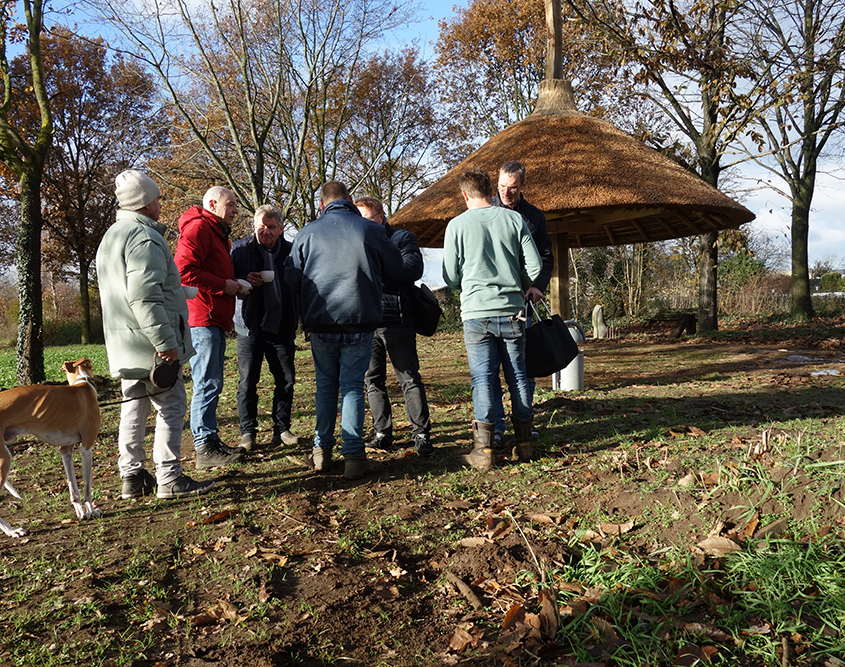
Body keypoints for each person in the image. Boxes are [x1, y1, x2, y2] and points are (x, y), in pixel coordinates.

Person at [97, 170, 215, 499]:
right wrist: (167, 344)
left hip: (126, 344)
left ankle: (131, 477)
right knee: (172, 405)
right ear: (145, 202)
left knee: (133, 409)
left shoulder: (112, 236)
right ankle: (169, 478)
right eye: (157, 197)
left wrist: (179, 291)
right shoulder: (145, 238)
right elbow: (144, 297)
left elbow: (130, 291)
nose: (161, 203)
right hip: (152, 345)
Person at [285, 181, 403, 480]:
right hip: (359, 319)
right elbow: (396, 269)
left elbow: (291, 277)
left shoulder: (307, 233)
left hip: (321, 321)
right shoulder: (370, 230)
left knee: (325, 386)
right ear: (350, 200)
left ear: (322, 204)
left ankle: (321, 451)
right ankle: (353, 454)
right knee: (352, 386)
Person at [442, 168, 541, 470]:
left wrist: (467, 283)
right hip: (513, 309)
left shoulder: (456, 225)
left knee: (483, 378)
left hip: (476, 313)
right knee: (519, 375)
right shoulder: (513, 219)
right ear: (490, 190)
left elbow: (449, 275)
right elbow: (535, 267)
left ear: (464, 194)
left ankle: (483, 451)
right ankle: (524, 443)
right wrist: (517, 283)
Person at [354, 196, 433, 457]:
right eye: (359, 219)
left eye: (367, 218)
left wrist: (374, 271)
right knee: (372, 379)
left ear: (381, 216)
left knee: (408, 377)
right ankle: (382, 433)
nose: (362, 224)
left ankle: (421, 434)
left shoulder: (402, 238)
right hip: (366, 319)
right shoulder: (355, 241)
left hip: (397, 317)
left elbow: (412, 269)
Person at [175, 186, 246, 469]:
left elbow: (212, 272)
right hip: (202, 318)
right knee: (206, 381)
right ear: (213, 203)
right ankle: (204, 446)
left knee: (213, 381)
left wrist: (238, 281)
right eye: (231, 204)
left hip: (213, 317)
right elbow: (184, 271)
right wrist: (223, 286)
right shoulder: (200, 229)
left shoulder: (216, 233)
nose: (236, 211)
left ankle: (210, 439)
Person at [493, 160, 555, 445]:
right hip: (491, 302)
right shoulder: (485, 212)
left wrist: (537, 286)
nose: (507, 193)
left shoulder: (534, 217)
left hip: (523, 303)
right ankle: (494, 427)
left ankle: (524, 423)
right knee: (490, 370)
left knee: (524, 368)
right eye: (503, 187)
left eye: (513, 188)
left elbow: (546, 257)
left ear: (523, 187)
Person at [231, 205, 299, 450]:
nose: (265, 231)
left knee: (286, 380)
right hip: (248, 326)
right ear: (254, 226)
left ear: (281, 229)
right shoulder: (239, 250)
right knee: (248, 382)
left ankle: (282, 429)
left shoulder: (293, 252)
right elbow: (227, 281)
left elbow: (302, 286)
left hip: (281, 325)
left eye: (271, 227)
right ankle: (248, 432)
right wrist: (243, 280)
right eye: (261, 226)